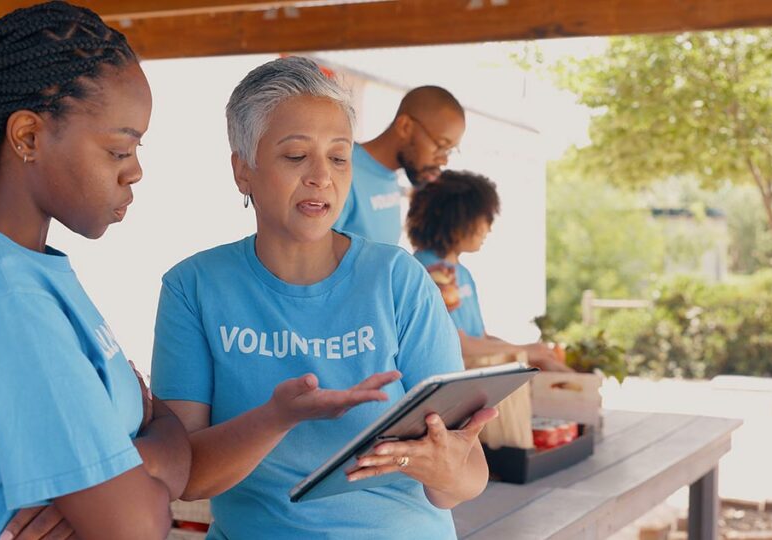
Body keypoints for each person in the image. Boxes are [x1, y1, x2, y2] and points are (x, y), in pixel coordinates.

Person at [150, 56, 496, 540]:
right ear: (242, 170)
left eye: (338, 156)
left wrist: (440, 465)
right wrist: (277, 418)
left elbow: (468, 476)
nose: (321, 177)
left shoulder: (401, 280)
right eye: (296, 157)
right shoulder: (193, 287)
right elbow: (183, 476)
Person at [0, 3, 189, 538]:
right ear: (26, 136)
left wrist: (142, 462)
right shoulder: (2, 295)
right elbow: (137, 525)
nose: (135, 171)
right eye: (119, 148)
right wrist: (163, 439)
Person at [407, 170, 571, 372]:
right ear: (459, 218)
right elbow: (461, 346)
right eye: (486, 218)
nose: (489, 228)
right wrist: (524, 351)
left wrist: (532, 354)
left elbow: (480, 338)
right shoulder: (434, 272)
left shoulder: (460, 272)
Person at [334, 85, 466, 245]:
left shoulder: (390, 176)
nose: (444, 160)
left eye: (449, 150)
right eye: (440, 146)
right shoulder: (341, 171)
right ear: (405, 127)